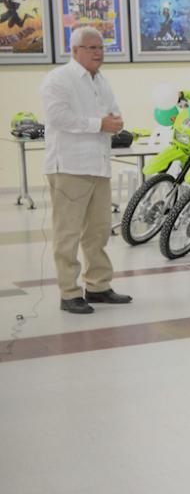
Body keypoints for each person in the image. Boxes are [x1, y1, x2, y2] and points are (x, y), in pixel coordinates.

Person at [40, 26, 130, 314]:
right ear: (75, 50)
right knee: (68, 234)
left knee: (98, 231)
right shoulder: (59, 79)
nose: (98, 53)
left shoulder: (101, 80)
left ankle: (98, 286)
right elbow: (58, 117)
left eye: (101, 48)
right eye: (91, 48)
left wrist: (116, 123)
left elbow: (112, 112)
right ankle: (69, 293)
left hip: (98, 165)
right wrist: (99, 124)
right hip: (69, 166)